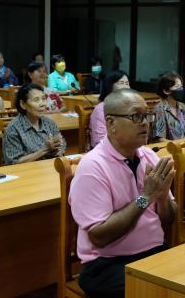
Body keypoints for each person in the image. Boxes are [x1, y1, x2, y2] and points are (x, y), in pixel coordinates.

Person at [69, 89, 177, 298]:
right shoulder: (93, 167)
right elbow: (100, 237)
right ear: (111, 124)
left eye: (147, 115)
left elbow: (169, 219)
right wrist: (146, 197)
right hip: (107, 264)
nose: (145, 122)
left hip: (153, 254)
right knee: (157, 292)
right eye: (136, 116)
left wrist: (162, 197)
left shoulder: (149, 157)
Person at [2, 83, 66, 165]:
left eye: (43, 99)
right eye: (36, 100)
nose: (43, 104)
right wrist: (44, 150)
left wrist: (58, 151)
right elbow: (13, 162)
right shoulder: (13, 129)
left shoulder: (49, 123)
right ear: (23, 104)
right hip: (25, 173)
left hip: (48, 169)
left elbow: (62, 143)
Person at [90, 70, 130, 148]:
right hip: (106, 152)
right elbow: (99, 140)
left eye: (127, 83)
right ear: (110, 86)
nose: (126, 87)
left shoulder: (129, 107)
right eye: (121, 83)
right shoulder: (101, 109)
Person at [152, 73, 185, 142]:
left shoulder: (183, 107)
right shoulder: (160, 109)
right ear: (166, 91)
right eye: (177, 86)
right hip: (168, 149)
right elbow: (159, 139)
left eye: (181, 86)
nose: (181, 89)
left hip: (183, 148)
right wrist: (178, 145)